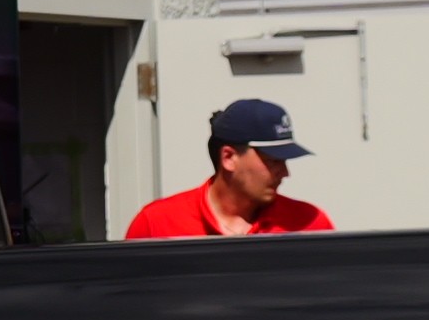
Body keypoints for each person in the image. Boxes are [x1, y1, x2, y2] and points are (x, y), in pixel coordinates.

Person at [127, 97, 334, 238]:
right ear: (228, 157)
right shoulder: (156, 223)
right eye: (273, 160)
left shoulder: (310, 223)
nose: (285, 173)